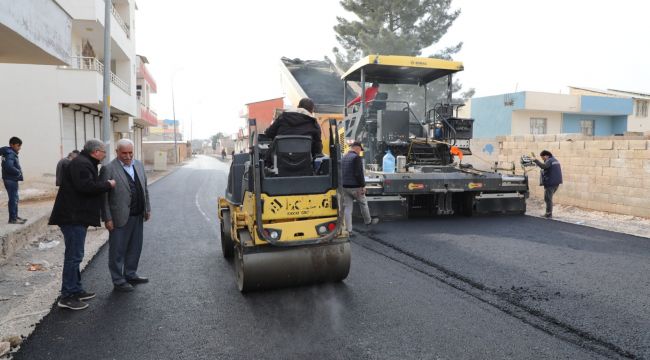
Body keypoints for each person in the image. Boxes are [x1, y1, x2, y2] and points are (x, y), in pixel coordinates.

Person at [49, 139, 116, 310]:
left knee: (76, 255)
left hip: (76, 216)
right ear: (95, 152)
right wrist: (108, 184)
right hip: (72, 217)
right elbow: (86, 187)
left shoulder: (86, 162)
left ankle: (76, 289)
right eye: (103, 151)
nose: (105, 155)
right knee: (74, 257)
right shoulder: (82, 164)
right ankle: (67, 296)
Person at [100, 138, 151, 293]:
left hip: (137, 214)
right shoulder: (108, 169)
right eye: (124, 153)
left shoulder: (139, 165)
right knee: (117, 250)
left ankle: (130, 274)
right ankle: (118, 280)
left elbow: (144, 189)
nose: (128, 156)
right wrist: (107, 218)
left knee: (135, 247)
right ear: (117, 152)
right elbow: (103, 197)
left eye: (130, 153)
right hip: (118, 217)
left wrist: (147, 208)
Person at [341, 141, 378, 236]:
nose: (360, 152)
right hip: (355, 187)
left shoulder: (344, 157)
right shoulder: (356, 158)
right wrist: (362, 186)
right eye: (360, 150)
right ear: (357, 148)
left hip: (345, 187)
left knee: (347, 209)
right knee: (363, 203)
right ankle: (368, 221)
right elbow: (358, 174)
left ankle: (349, 230)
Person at [1, 137, 26, 224]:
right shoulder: (10, 154)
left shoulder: (7, 152)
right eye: (18, 145)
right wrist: (18, 172)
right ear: (12, 145)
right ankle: (12, 219)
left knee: (15, 198)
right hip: (10, 179)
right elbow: (9, 166)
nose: (19, 148)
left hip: (9, 178)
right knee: (13, 198)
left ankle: (15, 216)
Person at [533, 150, 563, 218]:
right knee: (549, 198)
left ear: (546, 156)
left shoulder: (549, 161)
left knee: (548, 198)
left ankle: (548, 214)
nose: (542, 159)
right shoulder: (555, 160)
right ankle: (549, 213)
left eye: (543, 158)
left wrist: (536, 161)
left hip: (550, 183)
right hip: (556, 183)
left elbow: (544, 166)